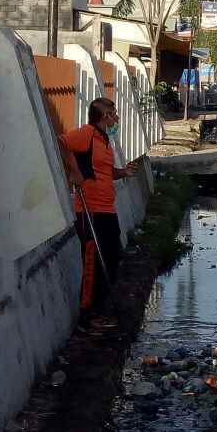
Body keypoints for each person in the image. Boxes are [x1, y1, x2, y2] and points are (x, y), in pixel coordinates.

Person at [58, 97, 139, 332]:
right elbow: (60, 142)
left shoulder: (105, 140)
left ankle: (98, 310)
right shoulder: (87, 134)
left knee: (112, 260)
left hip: (107, 209)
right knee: (94, 261)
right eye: (114, 114)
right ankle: (88, 316)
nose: (117, 118)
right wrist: (73, 172)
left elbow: (102, 172)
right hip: (90, 210)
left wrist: (123, 172)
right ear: (105, 116)